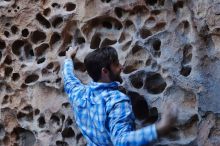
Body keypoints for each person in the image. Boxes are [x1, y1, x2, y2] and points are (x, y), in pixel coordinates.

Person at [62, 46, 177, 146]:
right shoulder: (117, 101)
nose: (121, 67)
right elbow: (121, 141)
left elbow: (68, 79)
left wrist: (68, 58)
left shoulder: (78, 93)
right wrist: (162, 127)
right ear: (105, 71)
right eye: (116, 64)